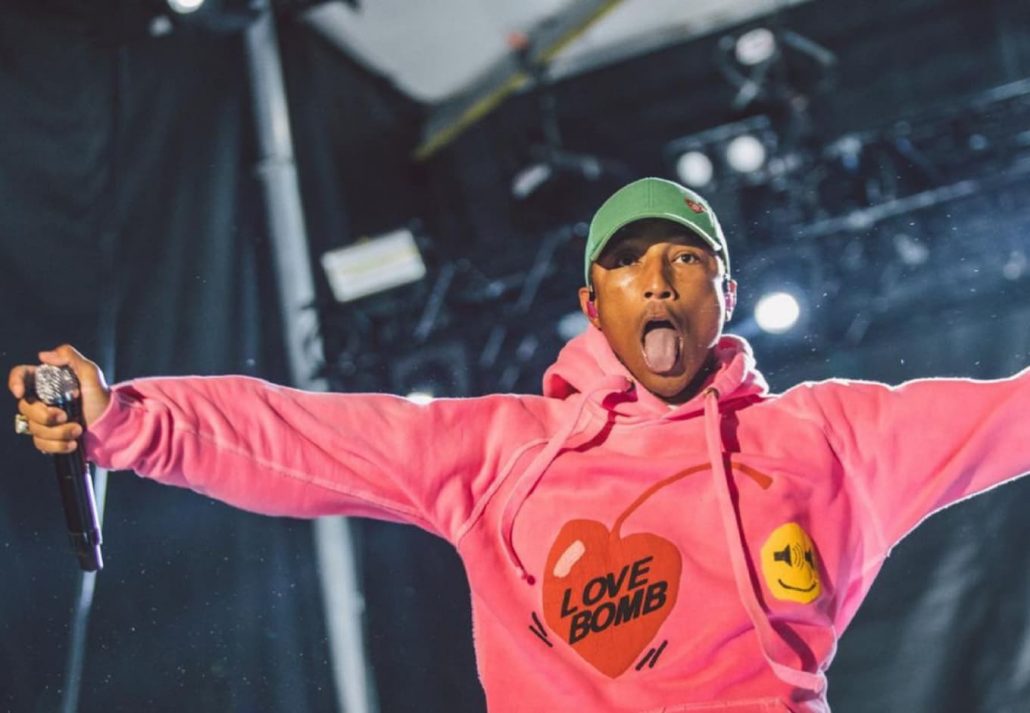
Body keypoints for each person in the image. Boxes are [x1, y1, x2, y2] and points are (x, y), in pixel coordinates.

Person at [9, 177, 1030, 712]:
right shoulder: (503, 450)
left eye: (686, 259)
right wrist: (122, 419)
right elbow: (301, 434)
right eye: (629, 265)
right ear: (594, 305)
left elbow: (1007, 413)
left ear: (724, 291)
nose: (659, 279)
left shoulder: (828, 435)